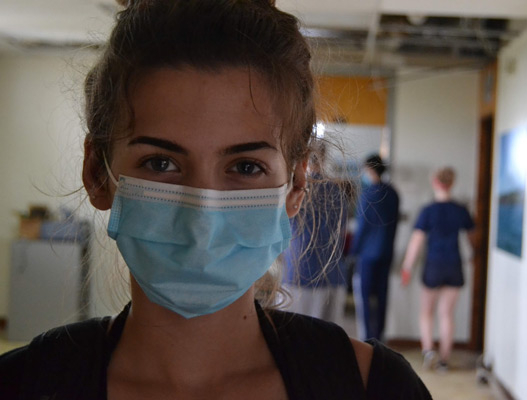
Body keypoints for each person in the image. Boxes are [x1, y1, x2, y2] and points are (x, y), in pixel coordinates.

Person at [0, 1, 432, 399]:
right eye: (160, 163)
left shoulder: (375, 389)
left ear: (296, 185)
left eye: (245, 167)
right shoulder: (22, 385)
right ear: (98, 174)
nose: (201, 217)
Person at [401, 167, 474, 372]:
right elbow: (472, 237)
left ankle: (428, 350)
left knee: (426, 312)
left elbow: (416, 241)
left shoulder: (428, 211)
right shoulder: (461, 210)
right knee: (446, 314)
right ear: (452, 183)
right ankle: (444, 361)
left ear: (435, 182)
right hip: (454, 265)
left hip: (433, 265)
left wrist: (407, 268)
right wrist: (475, 256)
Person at [281, 144, 349, 325]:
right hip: (333, 275)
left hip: (299, 273)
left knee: (293, 337)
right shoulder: (337, 192)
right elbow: (340, 232)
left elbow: (281, 231)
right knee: (326, 341)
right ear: (325, 159)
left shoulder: (295, 190)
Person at [350, 154, 400, 341]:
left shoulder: (368, 194)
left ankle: (367, 339)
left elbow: (362, 227)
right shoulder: (394, 193)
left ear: (370, 170)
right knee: (381, 297)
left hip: (367, 255)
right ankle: (379, 336)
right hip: (386, 252)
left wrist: (353, 252)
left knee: (364, 300)